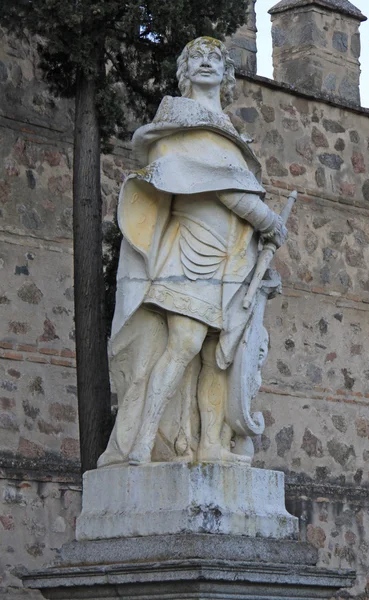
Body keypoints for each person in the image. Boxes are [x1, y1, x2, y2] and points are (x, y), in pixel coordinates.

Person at [97, 36, 287, 469]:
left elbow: (234, 189)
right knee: (184, 343)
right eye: (196, 57)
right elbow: (223, 188)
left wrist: (261, 234)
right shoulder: (178, 120)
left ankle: (209, 445)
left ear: (226, 72)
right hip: (192, 251)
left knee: (218, 356)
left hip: (233, 257)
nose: (206, 63)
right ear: (185, 71)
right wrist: (269, 221)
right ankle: (142, 442)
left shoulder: (230, 134)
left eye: (215, 57)